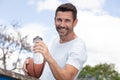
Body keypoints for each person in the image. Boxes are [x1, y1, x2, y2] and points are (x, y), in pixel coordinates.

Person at [23, 3, 87, 80]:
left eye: (67, 21)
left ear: (75, 22)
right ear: (54, 20)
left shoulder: (78, 46)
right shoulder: (54, 40)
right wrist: (29, 63)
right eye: (59, 20)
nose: (62, 25)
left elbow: (67, 78)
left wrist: (49, 57)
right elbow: (44, 66)